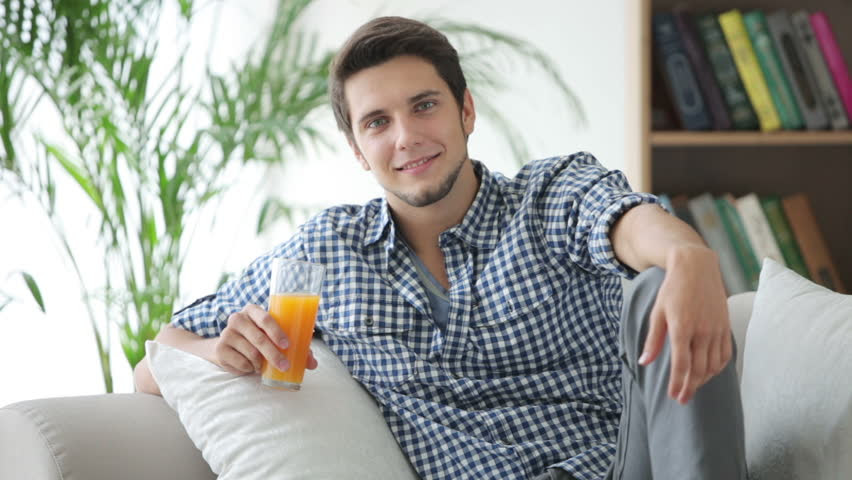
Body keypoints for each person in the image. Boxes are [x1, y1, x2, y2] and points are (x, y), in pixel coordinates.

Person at [134, 16, 747, 480]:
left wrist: (687, 256)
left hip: (619, 465)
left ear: (465, 110)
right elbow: (154, 360)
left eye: (424, 106)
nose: (407, 137)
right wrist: (217, 348)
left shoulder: (545, 196)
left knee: (653, 290)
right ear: (356, 148)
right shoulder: (325, 253)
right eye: (377, 122)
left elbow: (624, 218)